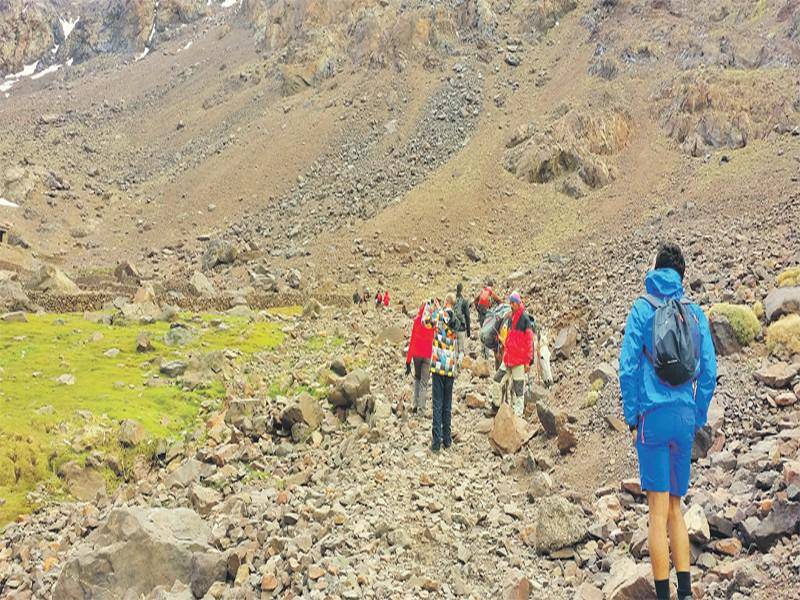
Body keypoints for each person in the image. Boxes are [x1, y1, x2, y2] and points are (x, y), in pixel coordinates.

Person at [619, 242, 717, 600]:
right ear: (681, 276)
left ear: (655, 269)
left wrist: (632, 416)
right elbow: (709, 371)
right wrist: (697, 415)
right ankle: (686, 593)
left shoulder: (642, 308)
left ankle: (663, 596)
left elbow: (628, 367)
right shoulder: (695, 313)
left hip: (653, 418)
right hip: (683, 416)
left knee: (657, 512)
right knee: (677, 507)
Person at [493, 292, 534, 416]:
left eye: (513, 303)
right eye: (510, 303)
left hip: (519, 361)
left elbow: (529, 342)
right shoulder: (512, 318)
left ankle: (518, 416)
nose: (511, 305)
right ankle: (495, 406)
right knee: (496, 381)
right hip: (508, 358)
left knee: (518, 390)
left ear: (518, 303)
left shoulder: (525, 319)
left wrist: (528, 362)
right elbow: (509, 338)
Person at [430, 294, 457, 452]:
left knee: (437, 403)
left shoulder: (439, 315)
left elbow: (425, 321)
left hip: (438, 363)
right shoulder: (456, 318)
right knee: (447, 404)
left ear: (446, 302)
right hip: (450, 365)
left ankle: (436, 443)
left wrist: (432, 306)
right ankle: (447, 440)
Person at [406, 299, 435, 415]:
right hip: (427, 355)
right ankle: (421, 410)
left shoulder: (417, 320)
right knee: (424, 382)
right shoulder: (432, 323)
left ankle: (415, 404)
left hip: (416, 355)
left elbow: (412, 340)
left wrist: (408, 361)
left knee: (417, 378)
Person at [452, 283, 471, 366]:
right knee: (461, 350)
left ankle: (454, 366)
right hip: (462, 328)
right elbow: (467, 316)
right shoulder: (464, 301)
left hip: (452, 328)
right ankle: (459, 364)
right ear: (462, 290)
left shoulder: (452, 300)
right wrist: (468, 331)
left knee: (454, 349)